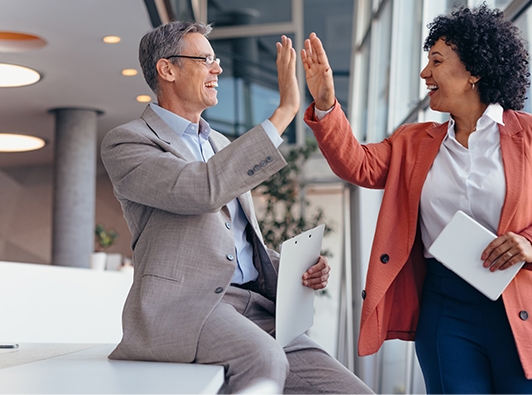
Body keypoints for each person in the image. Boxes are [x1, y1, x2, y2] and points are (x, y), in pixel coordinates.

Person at [301, 4, 532, 394]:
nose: (425, 73)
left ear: (474, 71)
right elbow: (359, 165)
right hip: (447, 308)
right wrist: (325, 105)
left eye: (436, 62)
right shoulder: (412, 142)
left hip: (525, 306)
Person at [100, 21, 372, 394]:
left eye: (216, 59)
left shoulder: (220, 144)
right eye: (206, 59)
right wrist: (286, 109)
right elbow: (200, 189)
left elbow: (237, 242)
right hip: (189, 309)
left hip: (255, 306)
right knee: (264, 360)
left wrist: (294, 268)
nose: (218, 69)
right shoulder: (128, 142)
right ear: (167, 69)